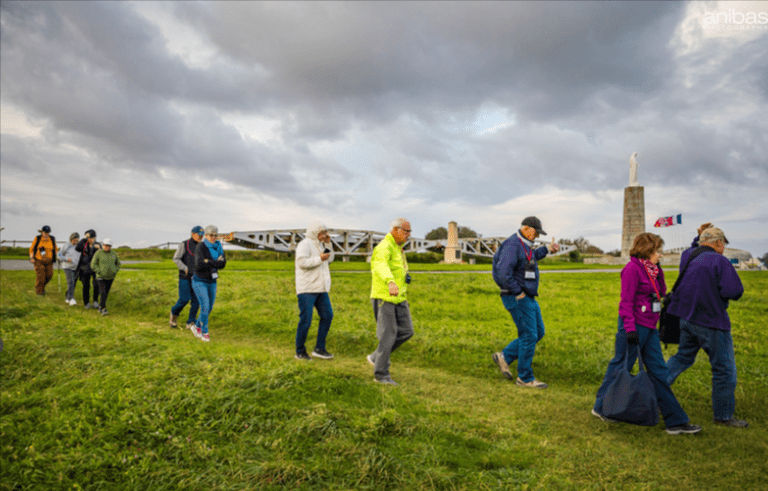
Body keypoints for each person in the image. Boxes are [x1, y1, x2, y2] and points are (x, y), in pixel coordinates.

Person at [592, 233, 701, 435]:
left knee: (659, 371)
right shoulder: (632, 269)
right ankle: (600, 407)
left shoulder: (651, 270)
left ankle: (675, 421)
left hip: (650, 326)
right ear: (647, 250)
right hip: (633, 326)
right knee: (620, 365)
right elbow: (625, 303)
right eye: (657, 251)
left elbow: (661, 291)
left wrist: (658, 272)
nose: (660, 254)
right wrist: (630, 330)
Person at [665, 225, 747, 428]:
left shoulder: (688, 255)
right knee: (724, 370)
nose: (724, 247)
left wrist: (700, 234)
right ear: (719, 243)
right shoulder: (720, 261)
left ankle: (649, 392)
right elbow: (734, 291)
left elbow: (696, 246)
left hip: (686, 319)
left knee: (682, 358)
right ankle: (723, 417)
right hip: (712, 322)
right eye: (723, 243)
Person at [491, 216, 558, 388]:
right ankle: (525, 378)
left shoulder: (523, 246)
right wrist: (518, 292)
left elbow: (530, 257)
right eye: (536, 233)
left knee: (538, 331)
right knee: (529, 335)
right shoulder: (513, 245)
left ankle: (505, 356)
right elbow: (502, 272)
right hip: (518, 296)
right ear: (526, 228)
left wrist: (548, 249)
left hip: (527, 296)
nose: (536, 236)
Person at [366, 218, 415, 385]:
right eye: (406, 231)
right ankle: (381, 375)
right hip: (384, 297)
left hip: (399, 297)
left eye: (410, 231)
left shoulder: (398, 248)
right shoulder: (384, 247)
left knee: (407, 331)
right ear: (395, 229)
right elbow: (380, 266)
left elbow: (400, 268)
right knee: (388, 334)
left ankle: (376, 356)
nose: (409, 235)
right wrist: (390, 281)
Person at [294, 221, 336, 360]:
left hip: (321, 288)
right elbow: (301, 262)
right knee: (306, 320)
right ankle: (300, 351)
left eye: (325, 233)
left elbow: (330, 260)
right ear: (314, 232)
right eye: (322, 233)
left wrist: (329, 245)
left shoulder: (322, 244)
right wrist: (319, 259)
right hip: (307, 288)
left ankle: (319, 348)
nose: (324, 235)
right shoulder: (305, 244)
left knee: (327, 315)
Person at [190, 225, 226, 342]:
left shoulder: (218, 246)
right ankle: (205, 332)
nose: (213, 237)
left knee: (209, 308)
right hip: (200, 281)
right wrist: (215, 262)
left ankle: (196, 326)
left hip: (212, 281)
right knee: (205, 307)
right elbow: (199, 264)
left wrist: (209, 261)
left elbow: (223, 264)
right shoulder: (201, 246)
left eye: (215, 235)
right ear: (206, 235)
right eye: (211, 235)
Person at [170, 226, 204, 330]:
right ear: (193, 234)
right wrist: (185, 268)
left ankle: (191, 322)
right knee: (184, 299)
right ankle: (174, 314)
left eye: (202, 235)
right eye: (199, 235)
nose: (201, 237)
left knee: (196, 300)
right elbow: (176, 259)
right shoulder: (184, 244)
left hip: (197, 278)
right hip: (185, 277)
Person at [91, 238, 121, 316]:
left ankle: (100, 307)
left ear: (110, 246)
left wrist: (115, 270)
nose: (106, 247)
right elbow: (93, 264)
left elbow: (118, 263)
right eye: (105, 245)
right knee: (103, 292)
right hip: (101, 277)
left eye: (108, 246)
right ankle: (103, 309)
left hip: (110, 277)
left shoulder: (113, 253)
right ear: (103, 245)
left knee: (106, 293)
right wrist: (99, 271)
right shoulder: (98, 253)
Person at [75, 229, 100, 309]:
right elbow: (77, 248)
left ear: (93, 237)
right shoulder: (83, 244)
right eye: (87, 237)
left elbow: (102, 255)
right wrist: (84, 238)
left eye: (89, 237)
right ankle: (86, 303)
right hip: (84, 268)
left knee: (96, 285)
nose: (88, 239)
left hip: (95, 268)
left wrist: (99, 249)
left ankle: (95, 301)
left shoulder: (98, 245)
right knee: (86, 286)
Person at [29, 225, 57, 296]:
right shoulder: (37, 238)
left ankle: (41, 287)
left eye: (48, 233)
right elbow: (32, 249)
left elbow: (55, 249)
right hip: (38, 260)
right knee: (41, 276)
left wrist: (58, 256)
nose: (46, 234)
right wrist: (31, 257)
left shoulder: (52, 239)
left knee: (49, 275)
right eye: (45, 233)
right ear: (42, 232)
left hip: (49, 261)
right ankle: (39, 292)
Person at [58, 232, 81, 305]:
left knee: (73, 283)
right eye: (74, 239)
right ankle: (72, 299)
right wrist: (66, 259)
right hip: (67, 266)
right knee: (71, 282)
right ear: (71, 239)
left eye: (76, 239)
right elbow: (59, 255)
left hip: (76, 267)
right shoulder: (66, 246)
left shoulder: (79, 246)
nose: (75, 241)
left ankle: (68, 297)